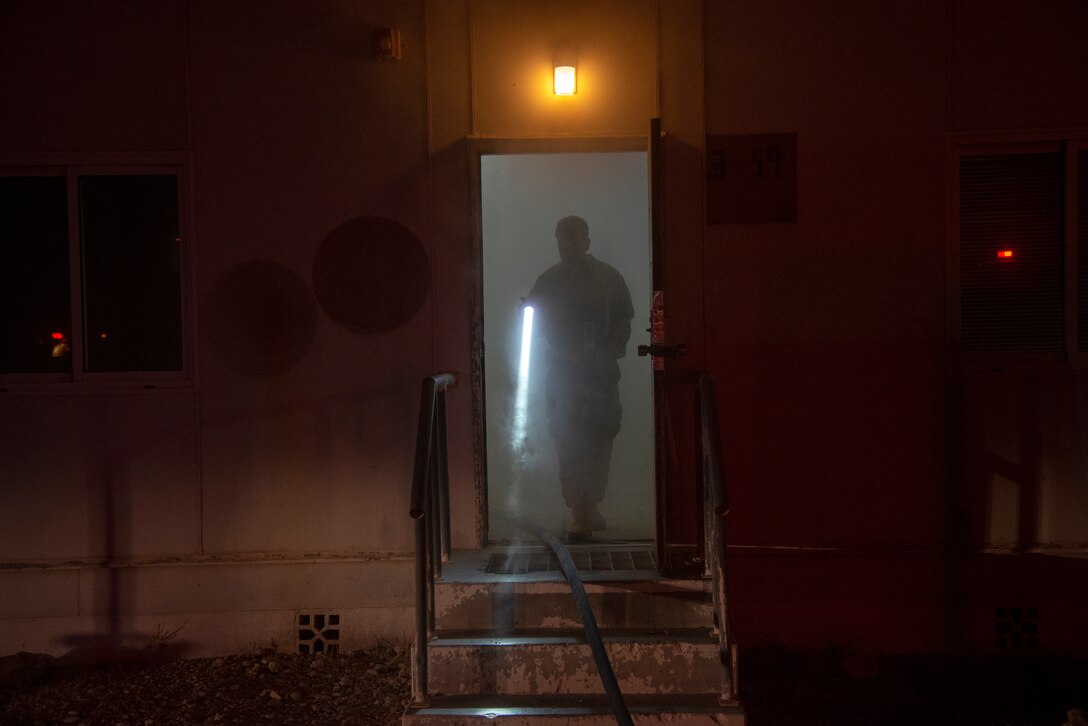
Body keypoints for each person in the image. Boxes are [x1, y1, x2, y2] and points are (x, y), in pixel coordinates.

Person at [524, 216, 633, 542]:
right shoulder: (550, 280)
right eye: (562, 241)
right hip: (565, 376)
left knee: (599, 438)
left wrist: (604, 352)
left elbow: (623, 320)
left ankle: (589, 503)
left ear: (586, 242)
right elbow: (533, 317)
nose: (567, 247)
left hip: (598, 374)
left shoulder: (608, 279)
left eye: (572, 240)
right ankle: (580, 510)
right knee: (569, 438)